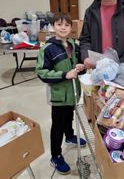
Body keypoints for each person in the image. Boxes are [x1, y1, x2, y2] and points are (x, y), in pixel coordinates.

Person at [35, 13, 87, 175]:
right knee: (57, 125)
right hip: (59, 95)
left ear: (71, 28)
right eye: (59, 24)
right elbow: (42, 73)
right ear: (53, 27)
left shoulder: (74, 44)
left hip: (73, 92)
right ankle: (55, 155)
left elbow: (80, 64)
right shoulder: (48, 48)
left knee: (69, 116)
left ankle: (70, 135)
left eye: (66, 25)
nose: (63, 27)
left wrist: (81, 67)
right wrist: (64, 75)